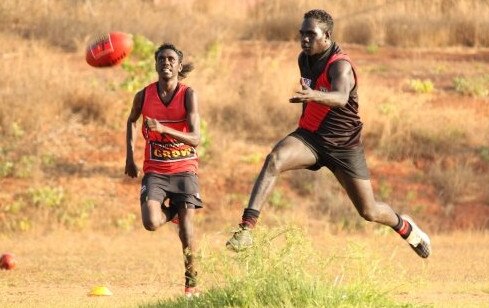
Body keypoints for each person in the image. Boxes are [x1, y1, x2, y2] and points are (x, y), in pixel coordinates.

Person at [226, 9, 431, 258]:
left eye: (311, 35)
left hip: (344, 146)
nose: (304, 40)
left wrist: (314, 96)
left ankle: (407, 228)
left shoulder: (341, 66)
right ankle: (246, 229)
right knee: (274, 159)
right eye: (302, 34)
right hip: (310, 138)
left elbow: (341, 97)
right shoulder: (304, 58)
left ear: (327, 35)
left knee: (369, 211)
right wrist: (306, 114)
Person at [125, 43, 203, 296]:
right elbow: (131, 121)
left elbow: (195, 138)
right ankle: (174, 214)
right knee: (150, 221)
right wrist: (129, 157)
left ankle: (191, 287)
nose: (166, 63)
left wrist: (164, 129)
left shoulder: (188, 94)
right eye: (161, 59)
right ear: (156, 64)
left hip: (184, 168)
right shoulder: (144, 95)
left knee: (187, 232)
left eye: (171, 59)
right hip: (155, 170)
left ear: (179, 67)